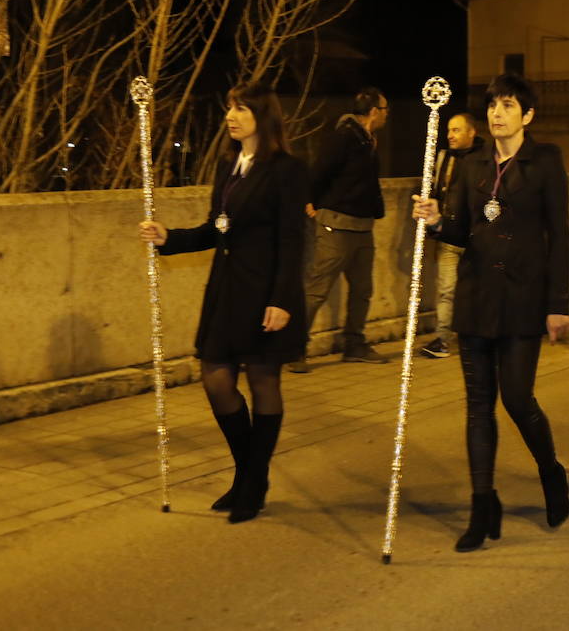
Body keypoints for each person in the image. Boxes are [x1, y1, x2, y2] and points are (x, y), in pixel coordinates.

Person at [411, 74, 569, 552]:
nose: (498, 113)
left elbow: (560, 235)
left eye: (508, 105)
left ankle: (551, 471)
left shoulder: (545, 161)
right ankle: (483, 505)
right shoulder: (471, 164)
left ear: (527, 115)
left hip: (524, 299)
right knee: (478, 406)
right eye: (492, 106)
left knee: (518, 400)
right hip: (477, 298)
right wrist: (438, 220)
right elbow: (461, 232)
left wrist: (558, 305)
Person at [138, 81, 310, 523]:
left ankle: (252, 483)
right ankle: (249, 473)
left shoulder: (287, 169)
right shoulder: (229, 164)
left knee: (263, 383)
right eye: (229, 107)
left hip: (266, 292)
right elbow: (219, 228)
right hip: (228, 290)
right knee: (216, 379)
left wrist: (282, 299)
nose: (230, 116)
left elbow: (293, 240)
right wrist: (169, 238)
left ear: (262, 116)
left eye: (240, 108)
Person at [287, 87, 389, 374]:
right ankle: (295, 348)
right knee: (317, 290)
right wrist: (310, 202)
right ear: (373, 112)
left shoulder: (367, 139)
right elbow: (319, 171)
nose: (386, 115)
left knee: (362, 290)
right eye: (384, 110)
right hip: (337, 226)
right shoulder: (344, 137)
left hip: (362, 227)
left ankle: (354, 344)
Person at [422, 112, 486, 358]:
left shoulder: (485, 159)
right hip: (448, 235)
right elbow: (434, 190)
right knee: (446, 289)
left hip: (476, 239)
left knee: (477, 290)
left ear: (472, 132)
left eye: (457, 130)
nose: (450, 135)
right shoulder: (444, 158)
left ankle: (478, 336)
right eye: (449, 130)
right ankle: (443, 339)